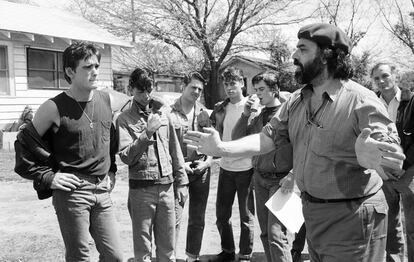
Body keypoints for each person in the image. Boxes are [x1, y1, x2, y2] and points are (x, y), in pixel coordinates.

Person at [184, 23, 406, 262]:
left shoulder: (362, 100)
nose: (293, 55)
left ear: (326, 55)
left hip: (352, 218)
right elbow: (266, 139)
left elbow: (391, 157)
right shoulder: (297, 100)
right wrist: (220, 149)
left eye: (302, 49)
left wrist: (374, 156)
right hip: (312, 214)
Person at [14, 41, 123, 261]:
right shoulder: (53, 107)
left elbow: (109, 140)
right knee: (79, 257)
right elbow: (24, 147)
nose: (94, 71)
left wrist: (111, 170)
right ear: (70, 71)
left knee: (115, 256)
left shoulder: (107, 100)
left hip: (102, 189)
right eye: (87, 67)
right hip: (73, 193)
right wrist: (48, 178)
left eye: (96, 66)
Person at [116, 68, 188, 262]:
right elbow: (125, 156)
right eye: (140, 91)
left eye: (149, 90)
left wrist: (182, 182)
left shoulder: (164, 113)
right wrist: (146, 133)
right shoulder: (123, 119)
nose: (146, 96)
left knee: (167, 249)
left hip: (167, 187)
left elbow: (175, 149)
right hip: (141, 190)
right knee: (143, 251)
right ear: (130, 89)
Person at [232, 70, 293, 262]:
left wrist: (292, 174)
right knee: (265, 234)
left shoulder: (287, 114)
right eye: (255, 90)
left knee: (277, 235)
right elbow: (237, 138)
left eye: (261, 89)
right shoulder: (258, 115)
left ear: (274, 89)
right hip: (259, 179)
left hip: (282, 181)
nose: (257, 94)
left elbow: (302, 147)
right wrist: (245, 115)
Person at [207, 66, 255, 262]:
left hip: (246, 169)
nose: (229, 88)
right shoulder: (221, 108)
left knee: (246, 217)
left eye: (233, 83)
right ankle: (227, 251)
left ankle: (245, 255)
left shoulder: (253, 106)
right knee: (222, 215)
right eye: (226, 84)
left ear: (241, 83)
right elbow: (213, 131)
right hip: (226, 168)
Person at [371, 62, 413, 262]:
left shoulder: (410, 101)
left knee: (412, 227)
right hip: (382, 172)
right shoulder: (370, 103)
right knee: (388, 226)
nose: (381, 81)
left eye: (385, 76)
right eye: (377, 78)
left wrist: (406, 168)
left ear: (395, 76)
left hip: (410, 172)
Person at [170, 72, 213, 262]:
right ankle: (169, 256)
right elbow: (165, 145)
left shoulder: (204, 112)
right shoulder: (169, 112)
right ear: (183, 86)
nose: (196, 92)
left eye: (200, 89)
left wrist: (208, 161)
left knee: (197, 218)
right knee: (173, 218)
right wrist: (180, 166)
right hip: (179, 173)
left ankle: (191, 257)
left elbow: (212, 140)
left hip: (201, 171)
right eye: (193, 87)